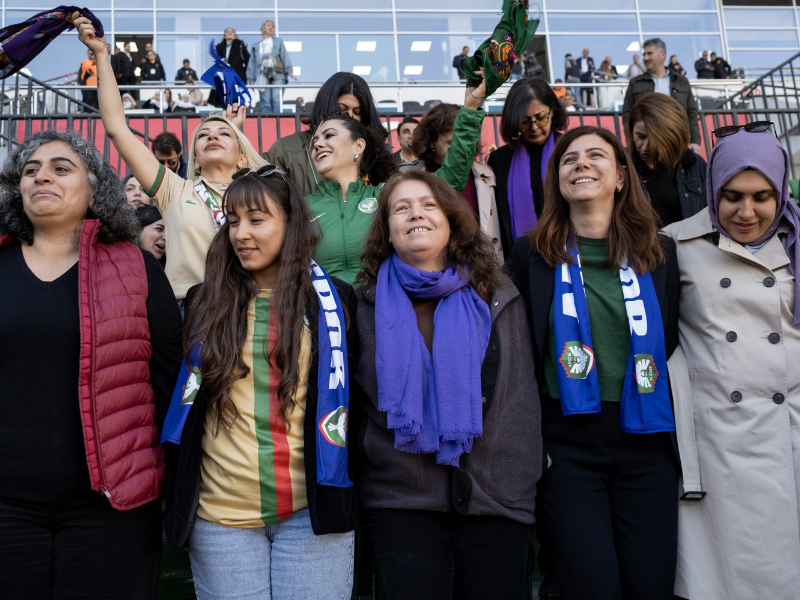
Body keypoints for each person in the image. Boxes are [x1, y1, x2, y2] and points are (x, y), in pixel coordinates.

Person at [0, 129, 182, 599]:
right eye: (31, 170)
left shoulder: (136, 266)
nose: (42, 177)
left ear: (95, 189)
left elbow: (170, 383)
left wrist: (171, 481)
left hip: (112, 510)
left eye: (61, 169)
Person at [162, 170, 359, 598]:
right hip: (220, 518)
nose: (241, 233)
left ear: (290, 223)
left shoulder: (336, 300)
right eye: (232, 221)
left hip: (313, 513)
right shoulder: (201, 301)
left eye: (256, 219)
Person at [506, 125, 680, 600]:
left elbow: (672, 343)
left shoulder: (662, 254)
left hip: (647, 441)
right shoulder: (529, 256)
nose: (581, 163)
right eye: (568, 159)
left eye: (596, 155)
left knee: (651, 586)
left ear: (621, 176)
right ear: (556, 181)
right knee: (590, 587)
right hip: (567, 447)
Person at [353, 169, 541, 599]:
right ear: (387, 229)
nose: (415, 214)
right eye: (401, 208)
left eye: (428, 205)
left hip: (495, 497)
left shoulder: (498, 294)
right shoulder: (362, 304)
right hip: (402, 500)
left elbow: (520, 395)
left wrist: (515, 478)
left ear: (451, 219)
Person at [663, 124, 800, 600]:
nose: (747, 212)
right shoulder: (674, 245)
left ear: (781, 188)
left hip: (790, 433)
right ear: (712, 189)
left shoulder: (798, 242)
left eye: (763, 196)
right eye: (732, 196)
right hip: (722, 440)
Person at [75, 11, 267, 301]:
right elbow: (116, 127)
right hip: (190, 315)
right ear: (196, 159)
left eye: (222, 135)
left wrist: (233, 130)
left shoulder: (261, 192)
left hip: (254, 311)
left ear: (243, 158)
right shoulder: (174, 189)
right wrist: (102, 54)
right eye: (203, 135)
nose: (212, 136)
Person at [306, 70, 488, 285]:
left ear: (358, 145)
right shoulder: (301, 207)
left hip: (379, 309)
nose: (317, 144)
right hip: (325, 313)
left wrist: (470, 108)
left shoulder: (386, 195)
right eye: (315, 140)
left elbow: (448, 179)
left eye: (329, 136)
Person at [265, 72, 387, 197]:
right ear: (326, 106)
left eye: (357, 112)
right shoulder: (287, 151)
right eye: (342, 109)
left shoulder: (376, 155)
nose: (350, 116)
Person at [487, 77, 569, 258]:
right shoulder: (499, 160)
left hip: (569, 254)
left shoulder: (571, 150)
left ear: (553, 112)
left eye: (541, 118)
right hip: (521, 262)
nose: (533, 128)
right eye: (524, 121)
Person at [412, 103, 501, 257]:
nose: (458, 150)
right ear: (431, 142)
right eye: (450, 143)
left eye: (464, 142)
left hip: (478, 265)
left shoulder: (486, 174)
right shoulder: (409, 175)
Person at [626, 93, 707, 227]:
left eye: (655, 140)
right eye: (640, 136)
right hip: (638, 247)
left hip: (684, 246)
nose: (645, 147)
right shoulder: (622, 165)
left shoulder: (695, 165)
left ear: (672, 137)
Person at [622, 37, 701, 151]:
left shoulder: (681, 81)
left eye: (649, 54)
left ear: (662, 54)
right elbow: (627, 114)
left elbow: (691, 112)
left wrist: (695, 141)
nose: (645, 58)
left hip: (678, 142)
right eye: (644, 54)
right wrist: (632, 142)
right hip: (647, 146)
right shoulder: (635, 83)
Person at [246, 20, 297, 114]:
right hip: (262, 77)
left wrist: (289, 71)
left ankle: (277, 121)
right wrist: (251, 79)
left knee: (276, 99)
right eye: (268, 25)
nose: (271, 27)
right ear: (263, 28)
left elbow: (284, 55)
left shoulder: (278, 41)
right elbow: (252, 63)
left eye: (273, 26)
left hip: (278, 74)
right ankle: (267, 122)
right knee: (265, 102)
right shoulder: (256, 46)